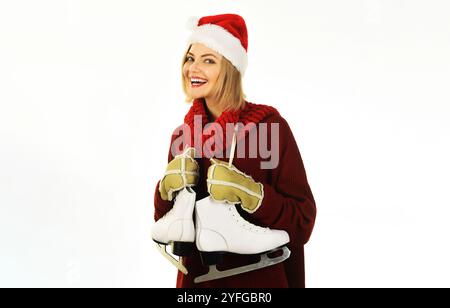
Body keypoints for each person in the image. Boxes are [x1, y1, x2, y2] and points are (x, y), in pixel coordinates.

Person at [153, 13, 316, 288]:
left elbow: (302, 221)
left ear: (230, 67)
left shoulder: (268, 128)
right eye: (190, 58)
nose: (193, 68)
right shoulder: (183, 137)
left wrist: (254, 197)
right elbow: (167, 225)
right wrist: (164, 191)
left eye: (208, 60)